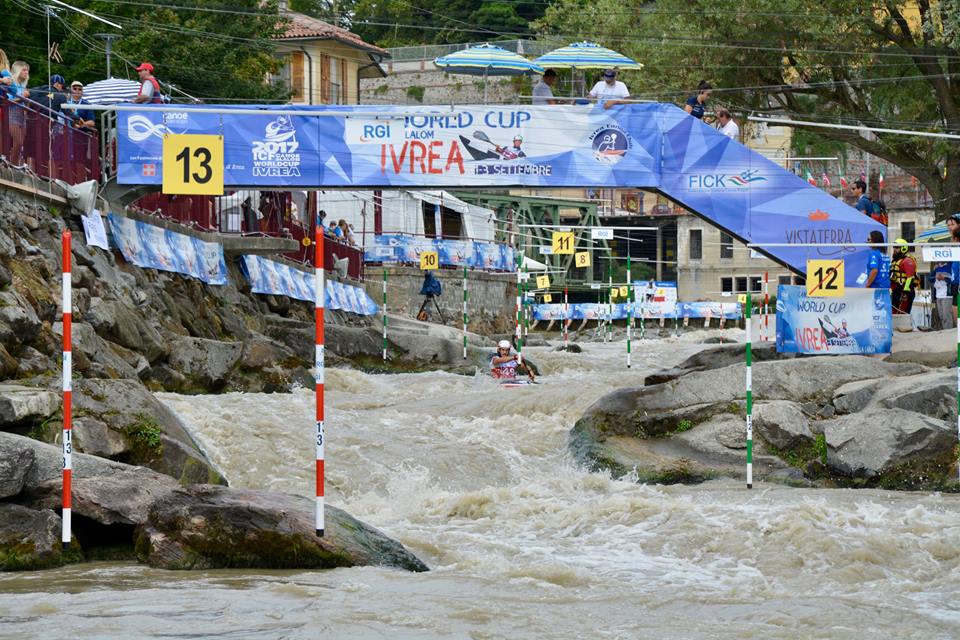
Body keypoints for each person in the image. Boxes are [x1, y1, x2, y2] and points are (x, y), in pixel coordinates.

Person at [6, 61, 31, 166]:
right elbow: (8, 101)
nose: (26, 72)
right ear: (17, 71)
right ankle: (13, 164)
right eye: (24, 70)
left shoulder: (22, 85)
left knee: (21, 144)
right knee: (18, 142)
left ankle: (14, 164)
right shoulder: (11, 83)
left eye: (27, 70)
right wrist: (22, 98)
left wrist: (27, 101)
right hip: (12, 114)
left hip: (22, 116)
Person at [890, 238, 918, 315]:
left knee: (902, 314)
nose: (894, 249)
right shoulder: (896, 260)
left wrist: (905, 292)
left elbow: (910, 277)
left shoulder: (907, 261)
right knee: (894, 314)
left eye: (897, 247)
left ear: (903, 248)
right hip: (896, 291)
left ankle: (903, 327)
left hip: (905, 292)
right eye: (894, 247)